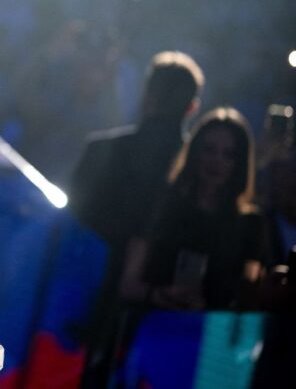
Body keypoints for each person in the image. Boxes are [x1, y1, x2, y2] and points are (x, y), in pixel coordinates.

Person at [67, 51, 204, 387]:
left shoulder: (100, 151)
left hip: (84, 308)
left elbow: (69, 234)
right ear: (192, 108)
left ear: (147, 96)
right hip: (162, 324)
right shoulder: (203, 172)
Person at [121, 107, 266, 310]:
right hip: (150, 325)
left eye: (228, 154)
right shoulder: (161, 205)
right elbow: (128, 284)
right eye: (209, 150)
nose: (217, 161)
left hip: (208, 334)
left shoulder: (249, 225)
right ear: (195, 152)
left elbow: (247, 298)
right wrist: (158, 295)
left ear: (239, 163)